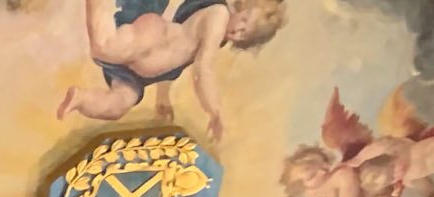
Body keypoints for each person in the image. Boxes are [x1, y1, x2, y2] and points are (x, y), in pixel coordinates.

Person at [56, 0, 283, 141]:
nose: (238, 31)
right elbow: (202, 69)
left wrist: (163, 96)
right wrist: (214, 110)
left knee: (117, 105)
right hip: (153, 40)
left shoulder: (219, 38)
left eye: (245, 33)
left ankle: (80, 99)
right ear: (241, 7)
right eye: (244, 20)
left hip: (140, 73)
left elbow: (178, 65)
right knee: (104, 48)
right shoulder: (219, 15)